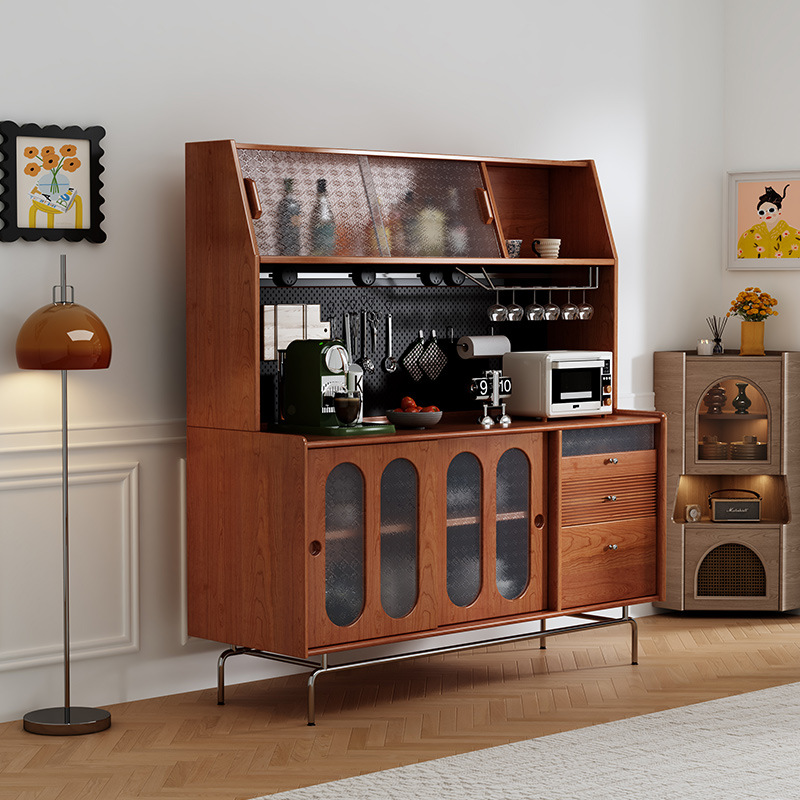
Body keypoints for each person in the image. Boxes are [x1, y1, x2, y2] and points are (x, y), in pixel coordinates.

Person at [737, 184, 800, 259]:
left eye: (771, 210)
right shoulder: (748, 236)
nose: (767, 214)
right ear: (759, 216)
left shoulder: (795, 236)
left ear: (779, 211)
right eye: (762, 212)